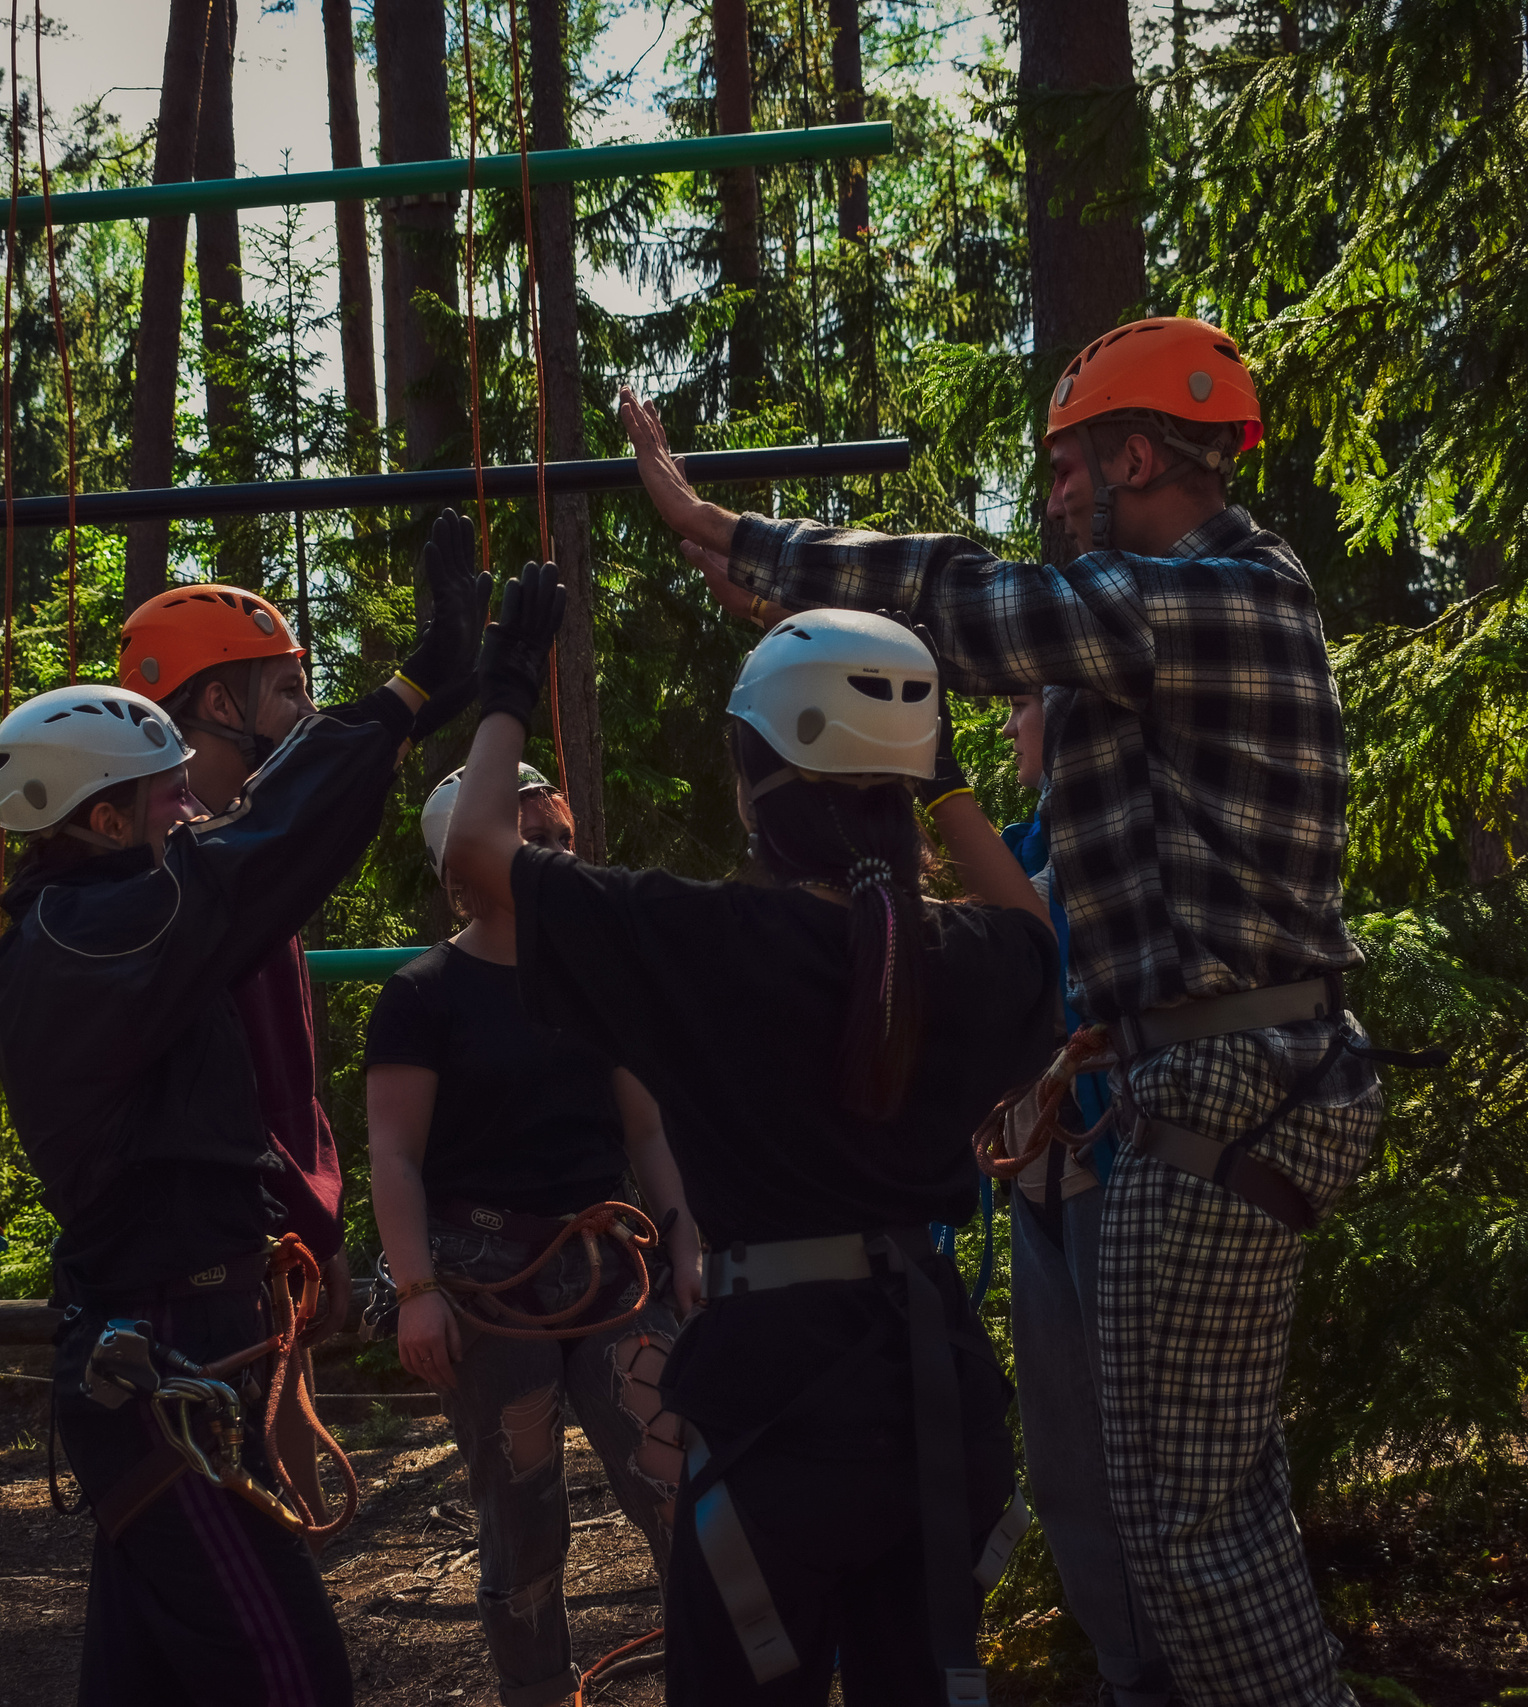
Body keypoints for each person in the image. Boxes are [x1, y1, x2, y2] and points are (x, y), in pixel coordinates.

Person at [620, 316, 1384, 1707]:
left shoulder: (1208, 592)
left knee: (1194, 1538)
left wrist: (739, 536)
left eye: (1067, 475)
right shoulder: (1197, 607)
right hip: (1201, 1084)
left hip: (1222, 1090)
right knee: (1182, 1516)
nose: (1057, 511)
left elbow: (968, 601)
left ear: (1135, 454)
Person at [442, 566, 1061, 1705]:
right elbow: (1037, 939)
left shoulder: (700, 939)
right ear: (908, 781)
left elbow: (473, 858)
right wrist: (945, 788)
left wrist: (504, 686)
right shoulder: (965, 961)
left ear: (756, 782)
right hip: (930, 1401)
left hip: (777, 1405)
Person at [0, 509, 486, 1707]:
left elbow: (253, 841)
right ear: (98, 821)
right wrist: (407, 695)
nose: (179, 815)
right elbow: (258, 850)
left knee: (146, 1677)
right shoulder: (106, 931)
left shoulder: (91, 921)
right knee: (287, 1675)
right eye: (155, 803)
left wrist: (404, 702)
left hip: (168, 1348)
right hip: (163, 1364)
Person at [365, 764, 702, 1707]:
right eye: (529, 842)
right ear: (466, 861)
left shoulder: (599, 982)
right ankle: (539, 1692)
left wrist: (686, 1245)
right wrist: (419, 1289)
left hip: (608, 1263)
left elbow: (646, 1128)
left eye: (557, 838)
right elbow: (395, 1155)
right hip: (485, 1278)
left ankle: (719, 1674)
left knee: (678, 1473)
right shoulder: (424, 993)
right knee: (523, 1511)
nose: (554, 857)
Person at [992, 686, 1168, 1707]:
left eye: (1022, 706)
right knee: (1062, 1458)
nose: (1009, 725)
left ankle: (1170, 1669)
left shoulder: (1125, 841)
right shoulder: (1020, 845)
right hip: (1040, 1183)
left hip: (1113, 1163)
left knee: (1134, 1448)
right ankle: (1124, 1672)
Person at [117, 583, 348, 1349]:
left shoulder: (234, 856)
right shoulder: (175, 878)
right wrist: (308, 1219)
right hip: (230, 1245)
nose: (308, 711)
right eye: (289, 688)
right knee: (256, 1459)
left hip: (270, 1229)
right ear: (219, 702)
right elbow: (246, 1088)